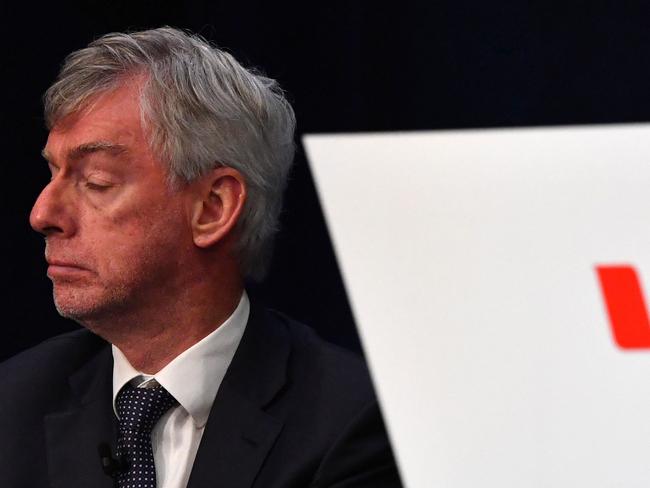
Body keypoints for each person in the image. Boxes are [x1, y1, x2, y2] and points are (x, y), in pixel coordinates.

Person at [0, 27, 402, 488]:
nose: (42, 214)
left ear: (213, 208)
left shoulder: (348, 425)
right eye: (52, 173)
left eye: (96, 181)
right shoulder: (13, 405)